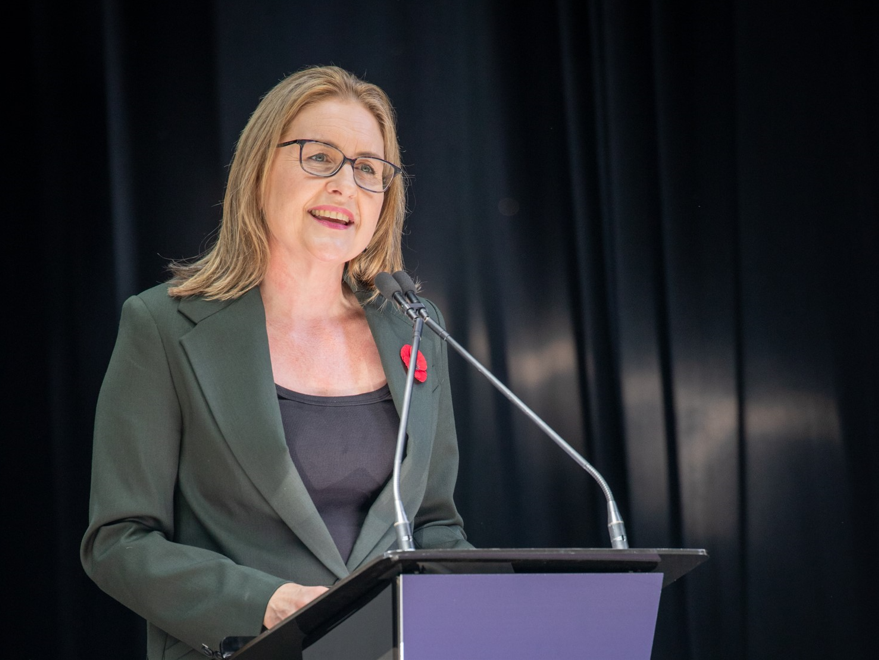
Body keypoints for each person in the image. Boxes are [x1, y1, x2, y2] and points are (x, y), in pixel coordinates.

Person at [81, 65, 469, 659]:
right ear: (260, 168)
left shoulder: (415, 328)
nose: (346, 185)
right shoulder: (161, 326)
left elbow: (436, 527)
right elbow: (120, 541)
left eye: (369, 169)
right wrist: (264, 602)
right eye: (321, 157)